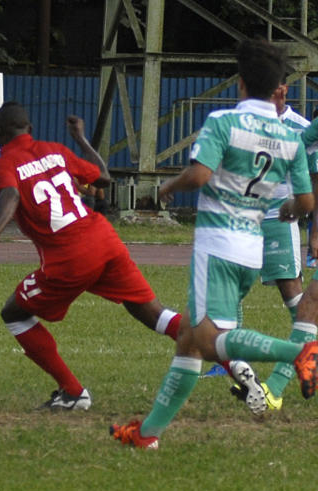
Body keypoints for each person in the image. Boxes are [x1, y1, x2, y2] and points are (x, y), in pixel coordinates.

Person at [110, 39, 318, 449]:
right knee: (190, 338)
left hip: (218, 244)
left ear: (240, 84)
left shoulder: (223, 121)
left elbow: (200, 175)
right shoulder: (289, 137)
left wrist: (165, 189)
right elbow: (307, 202)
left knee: (208, 340)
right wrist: (291, 212)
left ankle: (299, 352)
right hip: (253, 246)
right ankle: (147, 435)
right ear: (280, 87)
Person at [0, 102, 184, 411]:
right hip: (105, 240)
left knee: (14, 314)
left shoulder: (0, 166)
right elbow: (103, 177)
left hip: (68, 258)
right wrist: (82, 140)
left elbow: (11, 193)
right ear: (29, 129)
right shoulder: (55, 149)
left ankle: (73, 392)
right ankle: (232, 362)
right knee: (155, 315)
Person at [228, 78, 318, 413]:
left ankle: (277, 382)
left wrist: (305, 221)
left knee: (301, 298)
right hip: (246, 218)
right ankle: (259, 378)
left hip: (279, 219)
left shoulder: (301, 127)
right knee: (307, 305)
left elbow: (309, 174)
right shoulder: (244, 122)